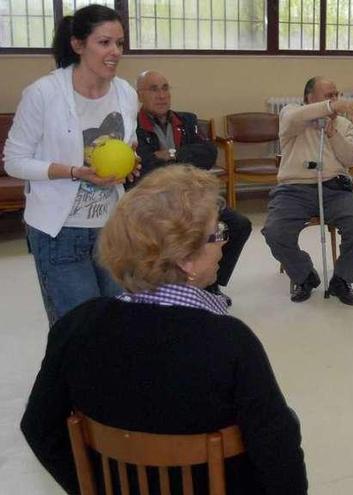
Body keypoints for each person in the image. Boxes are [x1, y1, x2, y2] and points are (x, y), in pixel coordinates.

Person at [20, 166, 308, 495]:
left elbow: (38, 427)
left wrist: (94, 486)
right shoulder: (230, 342)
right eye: (218, 234)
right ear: (186, 258)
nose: (223, 245)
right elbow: (280, 462)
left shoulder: (76, 325)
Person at [3, 4, 139, 325]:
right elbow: (14, 161)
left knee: (117, 323)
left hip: (111, 229)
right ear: (78, 45)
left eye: (119, 44)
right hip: (59, 233)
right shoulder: (43, 93)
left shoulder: (126, 93)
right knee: (77, 331)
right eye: (104, 42)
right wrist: (74, 171)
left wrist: (129, 162)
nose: (115, 52)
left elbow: (125, 147)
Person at [134, 69, 252, 306]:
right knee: (177, 237)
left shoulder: (186, 120)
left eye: (165, 88)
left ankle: (210, 284)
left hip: (193, 199)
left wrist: (171, 154)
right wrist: (180, 158)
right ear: (139, 95)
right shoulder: (132, 126)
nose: (161, 95)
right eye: (153, 89)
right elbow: (145, 166)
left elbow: (207, 154)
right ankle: (171, 288)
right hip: (156, 203)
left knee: (239, 225)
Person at [262, 76, 353, 305]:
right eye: (328, 96)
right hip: (294, 190)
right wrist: (331, 107)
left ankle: (342, 279)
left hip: (335, 189)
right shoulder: (292, 114)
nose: (335, 100)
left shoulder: (343, 124)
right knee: (274, 231)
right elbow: (294, 117)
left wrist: (333, 134)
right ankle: (304, 275)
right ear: (309, 98)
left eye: (336, 95)